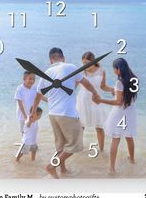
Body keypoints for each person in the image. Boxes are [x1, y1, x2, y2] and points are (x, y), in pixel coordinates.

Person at [30, 47, 100, 179]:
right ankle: (52, 166)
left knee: (61, 145)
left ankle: (63, 170)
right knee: (75, 145)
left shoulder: (47, 72)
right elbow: (85, 83)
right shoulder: (70, 67)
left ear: (51, 60)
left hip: (53, 115)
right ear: (63, 58)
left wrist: (33, 112)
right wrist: (95, 93)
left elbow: (38, 96)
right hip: (67, 114)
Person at [93, 58, 138, 175]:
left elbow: (118, 102)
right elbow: (126, 97)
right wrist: (115, 93)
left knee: (116, 138)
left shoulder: (119, 82)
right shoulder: (134, 79)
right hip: (130, 112)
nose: (113, 71)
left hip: (120, 113)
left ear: (118, 70)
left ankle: (112, 168)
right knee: (129, 137)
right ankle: (132, 160)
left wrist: (101, 100)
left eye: (114, 69)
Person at [76, 51, 114, 152]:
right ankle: (78, 149)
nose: (84, 65)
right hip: (83, 101)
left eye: (87, 63)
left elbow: (103, 86)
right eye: (83, 63)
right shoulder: (81, 72)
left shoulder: (101, 71)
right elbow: (73, 86)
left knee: (99, 126)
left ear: (93, 61)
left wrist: (112, 89)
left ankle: (101, 150)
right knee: (81, 126)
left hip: (96, 100)